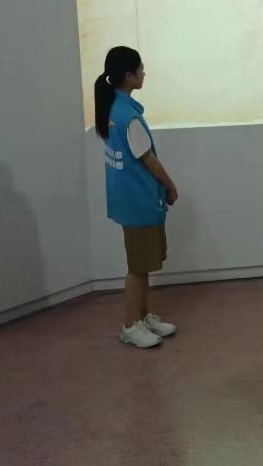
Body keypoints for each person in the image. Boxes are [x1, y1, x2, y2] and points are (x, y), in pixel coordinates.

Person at [94, 46, 179, 348]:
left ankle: (143, 317)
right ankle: (131, 325)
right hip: (138, 199)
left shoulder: (113, 109)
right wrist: (170, 186)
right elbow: (149, 160)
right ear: (129, 75)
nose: (144, 73)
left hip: (127, 198)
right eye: (141, 69)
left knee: (141, 263)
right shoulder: (128, 117)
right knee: (138, 268)